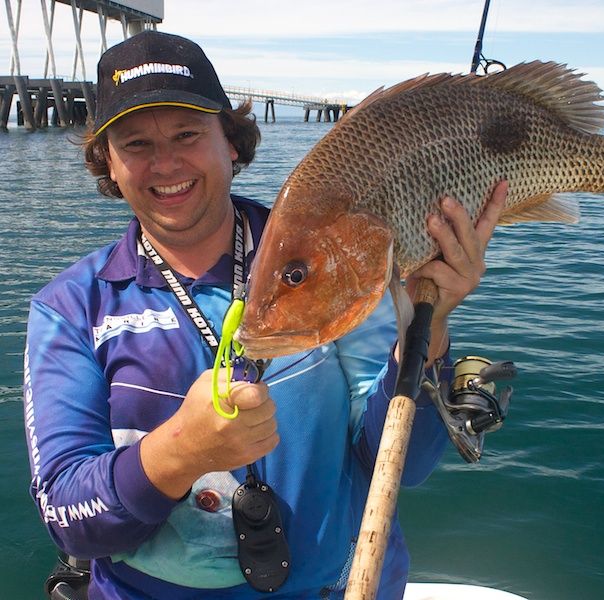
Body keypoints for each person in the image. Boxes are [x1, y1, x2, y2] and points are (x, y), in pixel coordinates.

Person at [23, 30, 508, 599]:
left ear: (229, 141)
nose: (165, 162)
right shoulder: (71, 307)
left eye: (187, 134)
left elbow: (401, 464)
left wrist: (429, 327)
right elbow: (68, 518)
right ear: (108, 160)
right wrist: (180, 453)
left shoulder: (328, 255)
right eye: (135, 143)